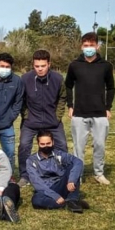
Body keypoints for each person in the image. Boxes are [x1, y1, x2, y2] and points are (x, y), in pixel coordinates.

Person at [65, 32, 115, 185]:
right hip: (79, 113)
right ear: (81, 46)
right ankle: (77, 175)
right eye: (86, 46)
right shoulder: (74, 65)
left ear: (97, 46)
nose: (89, 48)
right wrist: (70, 105)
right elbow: (68, 86)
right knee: (78, 147)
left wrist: (108, 107)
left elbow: (111, 88)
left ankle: (98, 173)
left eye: (91, 46)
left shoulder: (106, 66)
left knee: (100, 145)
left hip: (100, 113)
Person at [17, 50, 68, 187]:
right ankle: (25, 175)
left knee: (62, 145)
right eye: (37, 66)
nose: (40, 69)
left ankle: (60, 172)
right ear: (33, 65)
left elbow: (62, 97)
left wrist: (57, 116)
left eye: (43, 66)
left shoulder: (58, 79)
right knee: (23, 145)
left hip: (52, 121)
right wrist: (26, 116)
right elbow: (21, 99)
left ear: (49, 64)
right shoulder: (25, 79)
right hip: (31, 121)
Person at [26, 130, 89, 213]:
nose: (46, 146)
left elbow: (78, 162)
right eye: (42, 144)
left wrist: (71, 180)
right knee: (36, 200)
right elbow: (37, 183)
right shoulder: (31, 161)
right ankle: (68, 203)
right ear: (38, 144)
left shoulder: (59, 154)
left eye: (48, 143)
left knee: (73, 166)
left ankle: (72, 199)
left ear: (53, 142)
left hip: (62, 185)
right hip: (46, 190)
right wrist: (55, 196)